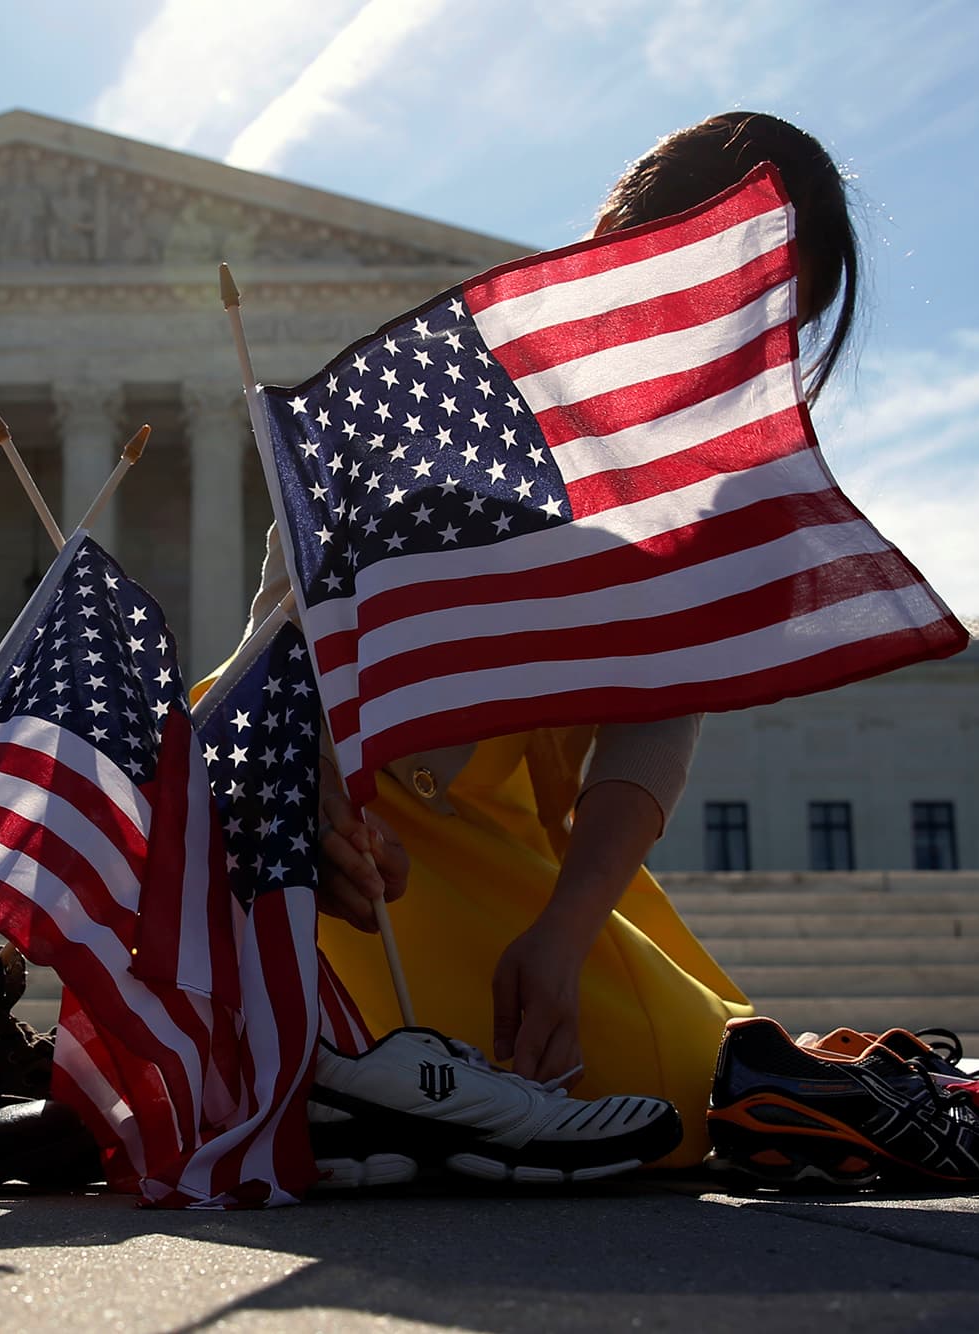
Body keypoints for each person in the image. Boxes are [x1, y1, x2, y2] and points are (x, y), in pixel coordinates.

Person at [233, 111, 861, 1170]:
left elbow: (653, 720)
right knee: (651, 1087)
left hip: (510, 857)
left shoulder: (706, 465)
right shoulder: (455, 379)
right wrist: (321, 793)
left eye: (776, 317)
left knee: (680, 1080)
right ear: (627, 234)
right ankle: (343, 1079)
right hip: (329, 825)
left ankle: (363, 1093)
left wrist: (566, 930)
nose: (743, 344)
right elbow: (285, 617)